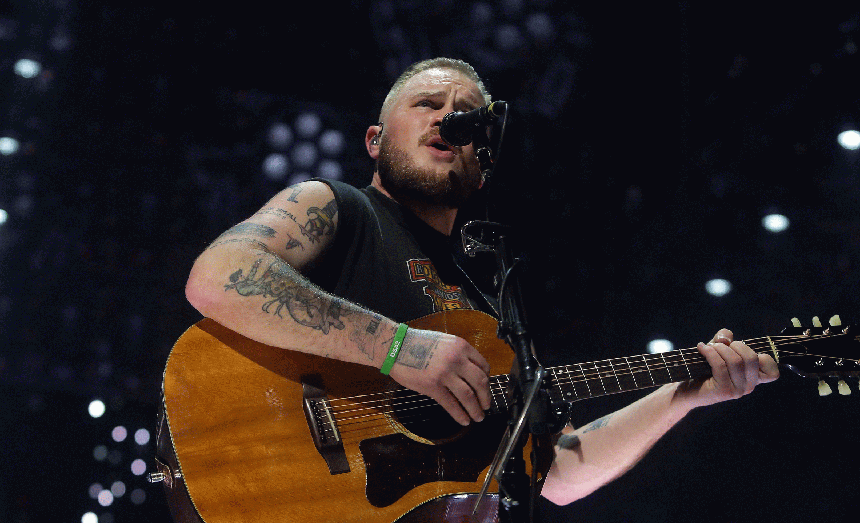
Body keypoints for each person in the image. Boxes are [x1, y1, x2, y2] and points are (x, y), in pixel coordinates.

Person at [184, 57, 779, 507]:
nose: (448, 117)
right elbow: (217, 278)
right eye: (427, 103)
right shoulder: (335, 207)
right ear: (375, 140)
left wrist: (685, 393)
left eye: (465, 114)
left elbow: (561, 475)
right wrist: (395, 348)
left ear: (482, 160)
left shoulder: (490, 307)